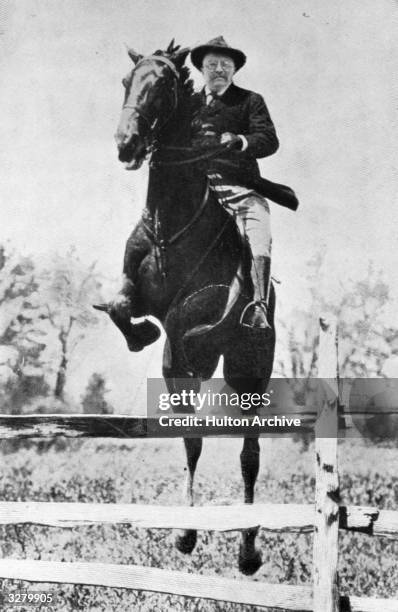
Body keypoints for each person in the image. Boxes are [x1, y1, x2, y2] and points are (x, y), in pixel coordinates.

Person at [190, 36, 280, 330]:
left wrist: (241, 140)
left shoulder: (250, 100)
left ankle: (258, 304)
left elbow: (268, 139)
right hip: (194, 188)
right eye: (212, 64)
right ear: (201, 69)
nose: (218, 69)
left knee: (260, 223)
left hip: (238, 190)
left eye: (225, 65)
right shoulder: (189, 103)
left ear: (234, 70)